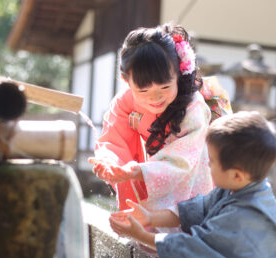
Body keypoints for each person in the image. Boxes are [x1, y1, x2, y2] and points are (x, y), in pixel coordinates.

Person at [109, 111, 276, 258]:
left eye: (212, 161)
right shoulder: (237, 188)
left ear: (236, 175)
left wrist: (141, 235)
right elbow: (194, 210)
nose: (207, 165)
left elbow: (195, 248)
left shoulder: (245, 215)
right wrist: (149, 217)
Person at [88, 23, 231, 213]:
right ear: (126, 81)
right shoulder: (125, 101)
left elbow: (182, 159)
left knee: (188, 220)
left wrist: (140, 171)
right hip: (150, 169)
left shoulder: (192, 106)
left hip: (194, 171)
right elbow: (113, 140)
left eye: (164, 87)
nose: (155, 98)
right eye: (143, 90)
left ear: (178, 74)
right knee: (143, 218)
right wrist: (109, 164)